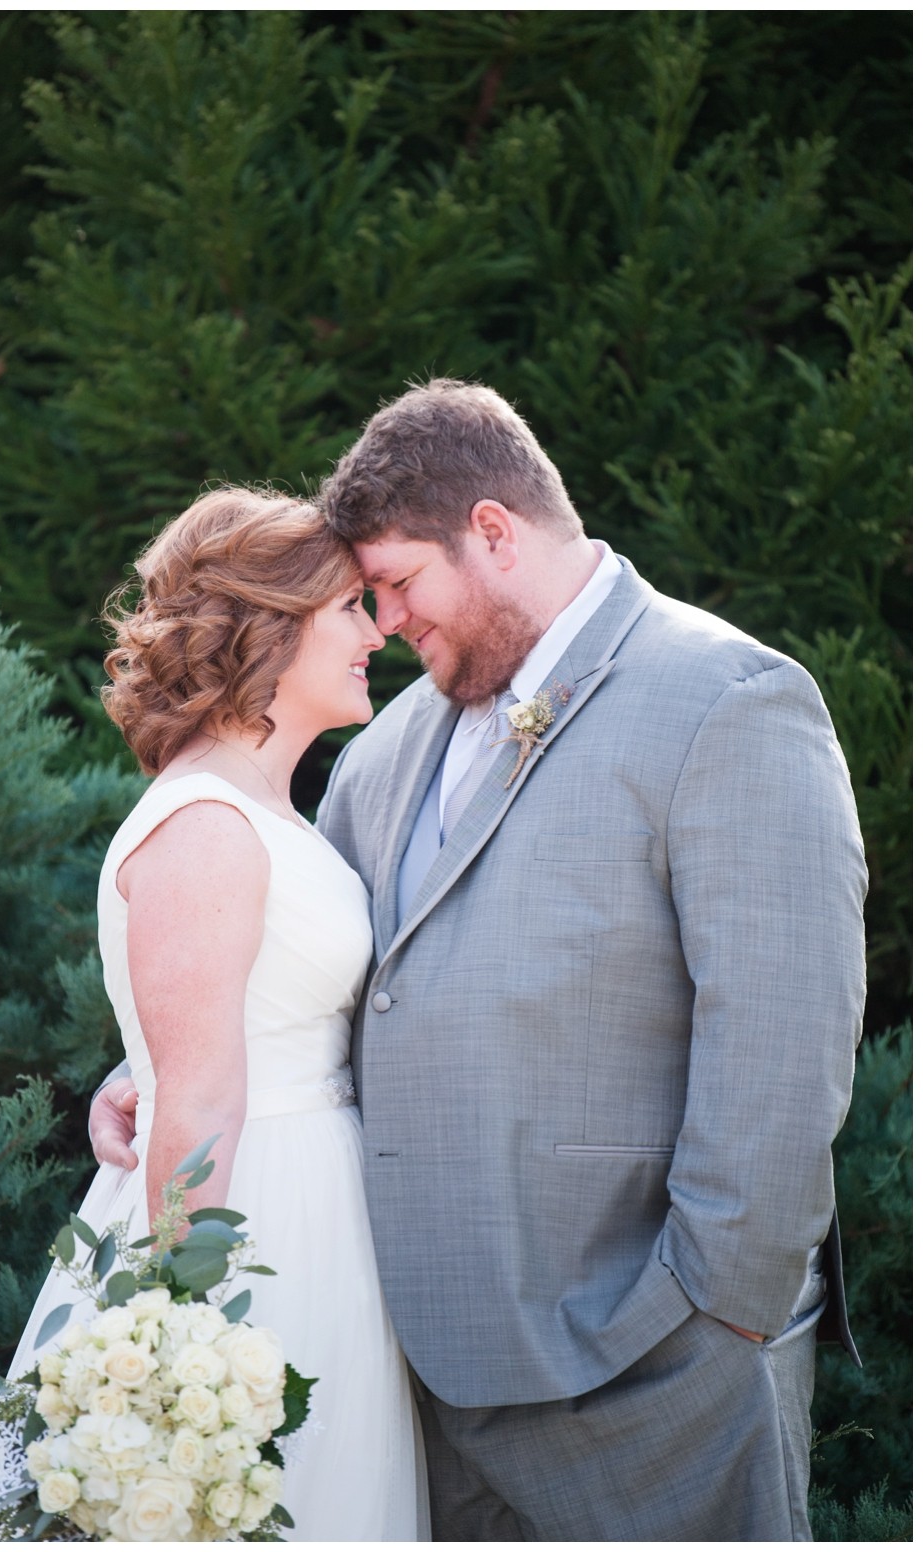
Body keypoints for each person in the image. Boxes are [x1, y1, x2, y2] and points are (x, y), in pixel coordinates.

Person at [92, 381, 867, 1541]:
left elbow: (783, 1045)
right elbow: (309, 984)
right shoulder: (385, 751)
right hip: (407, 1380)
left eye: (397, 581)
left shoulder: (727, 701)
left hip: (653, 1378)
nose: (385, 619)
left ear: (493, 533)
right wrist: (147, 1071)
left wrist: (714, 1315)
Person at [0, 487, 427, 1543]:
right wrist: (181, 1340)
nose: (375, 631)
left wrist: (131, 1073)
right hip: (254, 1227)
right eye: (349, 606)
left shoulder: (262, 807)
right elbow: (200, 1091)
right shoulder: (206, 822)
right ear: (271, 625)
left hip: (316, 1204)